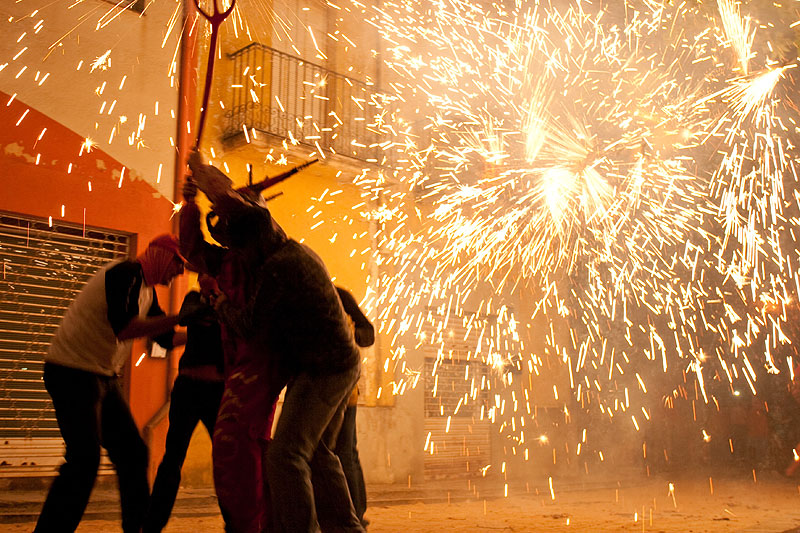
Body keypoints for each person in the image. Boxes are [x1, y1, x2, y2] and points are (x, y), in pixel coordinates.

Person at [182, 151, 364, 533]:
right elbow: (196, 249)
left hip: (325, 369)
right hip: (318, 366)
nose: (235, 253)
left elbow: (248, 325)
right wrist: (191, 202)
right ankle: (346, 529)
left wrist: (220, 303)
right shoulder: (274, 253)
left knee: (285, 456)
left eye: (238, 246)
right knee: (317, 454)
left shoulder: (279, 266)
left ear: (252, 241)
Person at [34, 235, 188, 533]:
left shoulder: (147, 292)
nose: (179, 273)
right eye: (178, 264)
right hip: (71, 372)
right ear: (161, 255)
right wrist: (181, 317)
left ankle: (137, 528)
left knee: (133, 454)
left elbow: (166, 339)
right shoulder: (126, 273)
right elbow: (126, 328)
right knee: (84, 460)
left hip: (100, 376)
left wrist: (204, 332)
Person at [143, 277, 224, 533]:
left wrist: (220, 305)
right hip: (187, 388)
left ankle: (238, 523)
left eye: (207, 273)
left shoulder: (232, 302)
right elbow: (187, 316)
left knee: (227, 461)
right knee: (173, 458)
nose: (202, 278)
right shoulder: (193, 298)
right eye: (201, 275)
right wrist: (213, 305)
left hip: (218, 391)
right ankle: (152, 525)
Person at [333, 287, 374, 529]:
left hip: (345, 393)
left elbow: (368, 334)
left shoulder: (340, 296)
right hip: (332, 390)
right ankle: (352, 512)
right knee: (344, 452)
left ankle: (355, 514)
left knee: (345, 452)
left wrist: (348, 332)